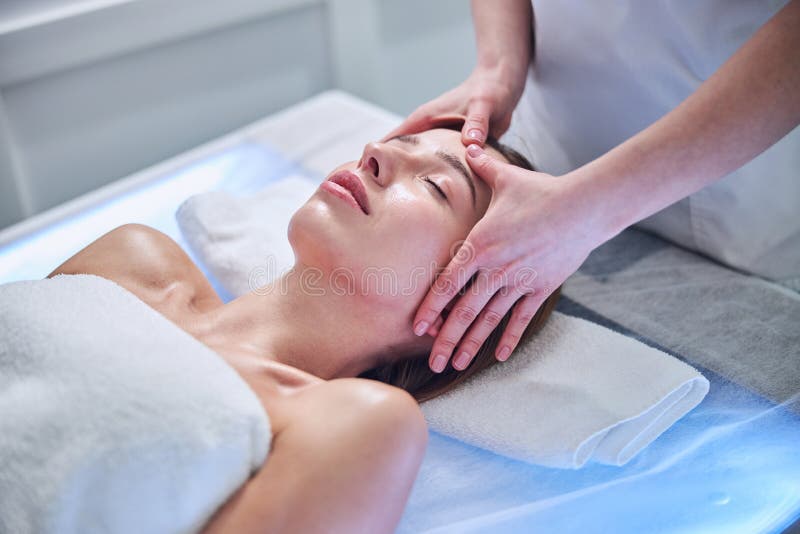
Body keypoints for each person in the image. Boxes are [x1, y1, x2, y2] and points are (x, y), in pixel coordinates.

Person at [46, 126, 560, 532]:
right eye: (396, 142)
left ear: (463, 309)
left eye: (434, 185)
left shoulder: (360, 425)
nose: (375, 152)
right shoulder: (131, 259)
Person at [386, 0, 800, 374]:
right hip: (553, 134)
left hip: (736, 179)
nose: (373, 151)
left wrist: (591, 209)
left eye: (435, 186)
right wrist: (497, 68)